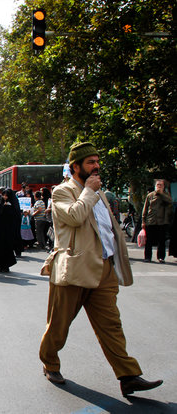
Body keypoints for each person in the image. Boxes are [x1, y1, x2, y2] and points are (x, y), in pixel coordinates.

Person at [39, 142, 163, 396]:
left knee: (111, 326)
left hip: (104, 268)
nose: (96, 167)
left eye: (97, 161)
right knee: (59, 326)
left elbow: (107, 228)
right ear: (76, 167)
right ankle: (50, 362)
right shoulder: (63, 192)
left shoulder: (98, 191)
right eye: (90, 163)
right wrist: (88, 192)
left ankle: (128, 376)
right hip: (74, 269)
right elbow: (74, 217)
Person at [141, 179, 172, 263]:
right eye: (157, 185)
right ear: (155, 186)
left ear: (163, 186)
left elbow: (170, 202)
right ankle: (147, 257)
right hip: (151, 221)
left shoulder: (166, 195)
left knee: (161, 241)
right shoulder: (150, 195)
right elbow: (145, 209)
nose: (159, 186)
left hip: (162, 222)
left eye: (161, 185)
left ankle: (161, 257)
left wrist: (161, 193)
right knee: (149, 241)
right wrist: (143, 221)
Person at [0, 189, 18, 273]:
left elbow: (16, 216)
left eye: (6, 196)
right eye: (3, 195)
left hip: (9, 231)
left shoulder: (14, 205)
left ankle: (6, 266)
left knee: (7, 248)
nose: (5, 197)